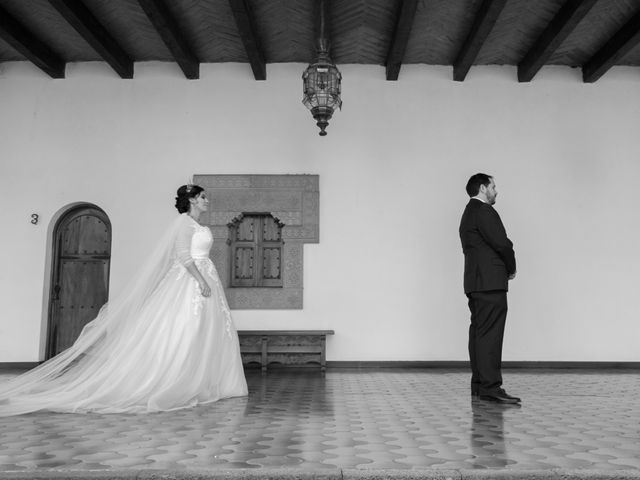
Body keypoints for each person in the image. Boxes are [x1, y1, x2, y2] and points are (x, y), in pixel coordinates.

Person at [0, 184, 248, 415]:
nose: (207, 200)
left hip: (206, 277)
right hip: (192, 281)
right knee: (184, 329)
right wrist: (201, 281)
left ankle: (203, 382)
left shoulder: (198, 225)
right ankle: (174, 381)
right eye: (203, 197)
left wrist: (207, 279)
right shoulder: (184, 223)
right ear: (193, 200)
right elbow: (184, 256)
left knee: (205, 330)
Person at [459, 173, 520, 404]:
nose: (496, 191)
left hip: (475, 283)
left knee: (479, 334)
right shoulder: (484, 211)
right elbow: (502, 244)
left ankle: (479, 385)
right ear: (483, 188)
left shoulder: (468, 213)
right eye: (494, 186)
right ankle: (491, 387)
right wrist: (511, 268)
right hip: (490, 283)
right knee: (490, 336)